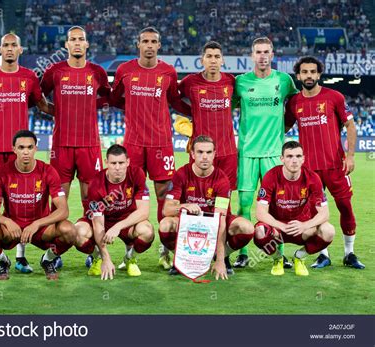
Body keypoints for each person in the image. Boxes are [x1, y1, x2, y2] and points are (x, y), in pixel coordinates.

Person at [110, 26, 191, 268]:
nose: (148, 45)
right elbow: (115, 99)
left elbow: (175, 101)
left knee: (165, 197)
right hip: (132, 144)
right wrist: (135, 108)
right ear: (138, 45)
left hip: (161, 144)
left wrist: (196, 112)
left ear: (159, 45)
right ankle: (129, 250)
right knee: (129, 197)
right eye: (144, 41)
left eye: (153, 41)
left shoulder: (168, 71)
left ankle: (165, 250)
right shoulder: (125, 70)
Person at [0, 33, 53, 273]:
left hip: (20, 150)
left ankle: (20, 256)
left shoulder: (29, 78)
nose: (9, 49)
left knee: (23, 202)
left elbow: (42, 105)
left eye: (14, 46)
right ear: (0, 49)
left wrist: (71, 113)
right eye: (6, 46)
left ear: (21, 50)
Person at [40, 26, 111, 269]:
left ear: (87, 44)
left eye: (81, 39)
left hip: (89, 146)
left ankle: (93, 250)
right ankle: (53, 252)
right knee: (58, 203)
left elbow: (107, 97)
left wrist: (92, 106)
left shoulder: (97, 72)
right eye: (73, 40)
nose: (77, 43)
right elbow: (39, 97)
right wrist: (55, 110)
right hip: (61, 146)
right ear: (67, 45)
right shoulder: (55, 71)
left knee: (91, 201)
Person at [285, 56, 364, 269]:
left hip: (336, 166)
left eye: (313, 72)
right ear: (298, 75)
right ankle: (323, 255)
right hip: (309, 170)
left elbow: (351, 126)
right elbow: (281, 128)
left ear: (319, 74)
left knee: (345, 207)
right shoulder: (294, 102)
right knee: (314, 213)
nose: (309, 75)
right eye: (304, 72)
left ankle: (349, 253)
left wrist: (350, 156)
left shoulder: (334, 97)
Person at [233, 37, 298, 268]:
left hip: (273, 154)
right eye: (258, 52)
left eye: (266, 52)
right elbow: (225, 109)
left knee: (275, 206)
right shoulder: (240, 82)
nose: (262, 56)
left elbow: (296, 104)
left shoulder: (284, 80)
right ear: (252, 56)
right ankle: (242, 252)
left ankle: (279, 254)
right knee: (244, 204)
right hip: (247, 153)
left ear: (273, 54)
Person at [0, 130, 77, 280]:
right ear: (14, 149)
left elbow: (63, 210)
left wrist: (37, 224)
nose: (26, 152)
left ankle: (47, 259)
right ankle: (3, 261)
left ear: (36, 149)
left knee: (69, 230)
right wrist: (7, 221)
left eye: (30, 147)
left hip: (41, 228)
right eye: (21, 148)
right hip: (12, 228)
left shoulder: (48, 171)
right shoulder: (1, 172)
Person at [160, 135, 254, 277]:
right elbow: (166, 210)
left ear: (214, 154)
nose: (205, 157)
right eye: (200, 152)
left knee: (247, 227)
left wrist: (221, 260)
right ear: (192, 154)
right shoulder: (181, 174)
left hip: (213, 224)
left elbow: (220, 220)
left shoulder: (222, 179)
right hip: (191, 224)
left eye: (209, 152)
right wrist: (184, 206)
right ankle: (182, 259)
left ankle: (217, 256)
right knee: (165, 224)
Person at [254, 141, 335, 276]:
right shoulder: (271, 176)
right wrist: (281, 226)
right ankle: (278, 259)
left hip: (302, 229)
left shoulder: (313, 178)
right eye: (290, 156)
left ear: (303, 159)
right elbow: (260, 212)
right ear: (282, 159)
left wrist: (305, 225)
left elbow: (325, 214)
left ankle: (299, 257)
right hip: (277, 230)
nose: (294, 160)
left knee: (328, 231)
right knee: (259, 231)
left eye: (298, 156)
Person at [74, 144, 154, 280]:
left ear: (128, 162)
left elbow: (144, 212)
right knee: (77, 232)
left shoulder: (137, 174)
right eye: (113, 163)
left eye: (121, 163)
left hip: (126, 222)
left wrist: (118, 227)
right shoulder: (95, 184)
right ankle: (97, 258)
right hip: (103, 221)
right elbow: (98, 224)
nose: (117, 167)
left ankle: (130, 258)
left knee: (147, 231)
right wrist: (106, 257)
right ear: (106, 163)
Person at [178, 41, 237, 191]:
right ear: (201, 60)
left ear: (222, 60)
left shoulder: (230, 81)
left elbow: (240, 101)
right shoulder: (190, 82)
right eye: (209, 56)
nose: (213, 60)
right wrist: (192, 112)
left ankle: (222, 216)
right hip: (200, 150)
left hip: (227, 151)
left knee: (225, 196)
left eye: (217, 56)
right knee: (197, 193)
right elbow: (173, 98)